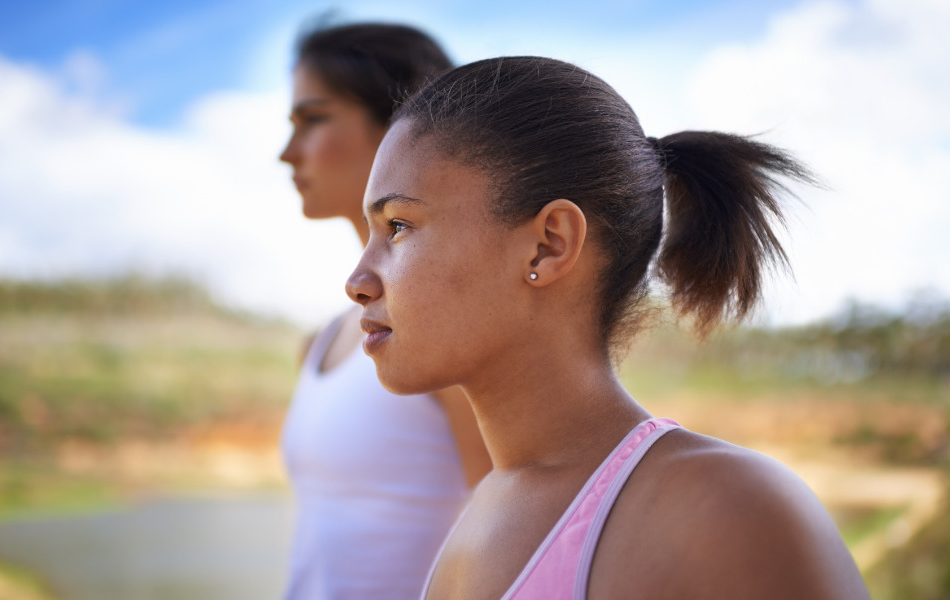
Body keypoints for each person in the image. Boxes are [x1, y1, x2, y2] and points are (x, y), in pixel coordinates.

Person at [346, 56, 871, 599]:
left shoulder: (725, 511)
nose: (357, 281)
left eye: (399, 226)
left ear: (550, 243)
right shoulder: (480, 514)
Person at [277, 22, 491, 600]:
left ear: (403, 127)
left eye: (313, 119)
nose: (286, 153)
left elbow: (514, 538)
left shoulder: (444, 334)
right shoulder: (321, 343)